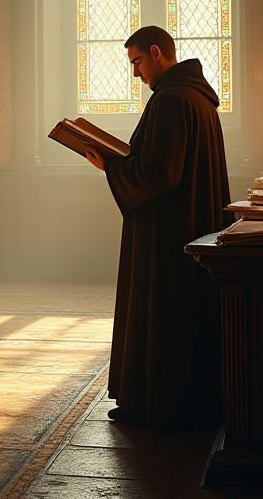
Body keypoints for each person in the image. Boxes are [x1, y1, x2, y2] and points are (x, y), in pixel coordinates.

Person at [83, 26, 230, 428]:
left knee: (163, 310)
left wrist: (110, 165)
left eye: (137, 63)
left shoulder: (171, 100)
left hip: (167, 232)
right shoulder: (197, 98)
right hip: (189, 222)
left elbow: (160, 174)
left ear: (155, 52)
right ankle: (184, 398)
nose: (136, 74)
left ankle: (156, 402)